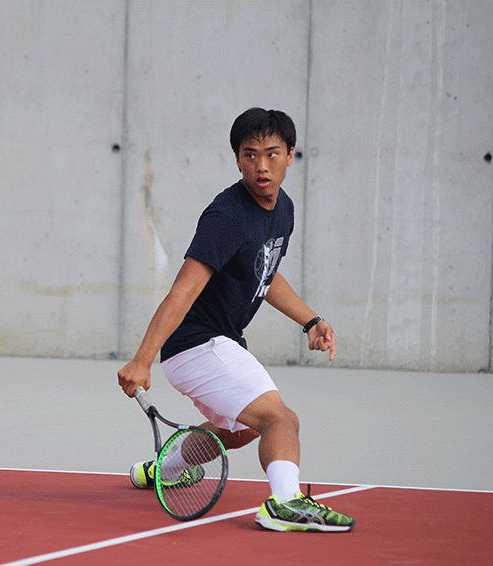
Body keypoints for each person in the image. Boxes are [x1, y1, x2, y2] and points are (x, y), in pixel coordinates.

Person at [117, 108, 355, 532]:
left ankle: (164, 470)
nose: (261, 166)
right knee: (281, 419)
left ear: (290, 155)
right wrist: (142, 359)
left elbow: (263, 269)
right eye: (249, 155)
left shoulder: (282, 209)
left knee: (243, 430)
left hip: (218, 341)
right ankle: (285, 504)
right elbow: (182, 291)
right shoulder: (226, 216)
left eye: (271, 153)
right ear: (237, 159)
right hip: (196, 343)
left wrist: (310, 319)